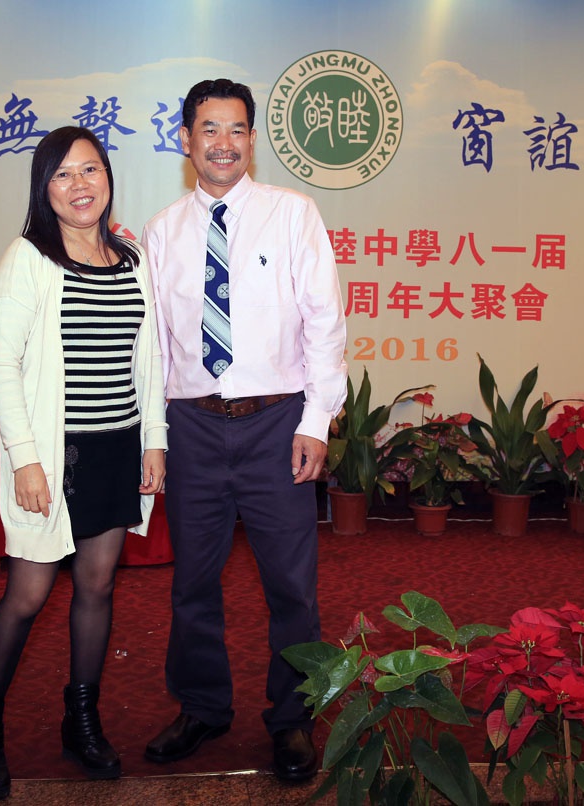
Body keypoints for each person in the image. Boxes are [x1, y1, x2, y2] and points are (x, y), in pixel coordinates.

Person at [140, 78, 347, 782]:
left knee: (291, 585)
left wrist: (316, 420)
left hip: (276, 426)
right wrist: (155, 436)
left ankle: (293, 718)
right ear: (186, 139)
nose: (222, 143)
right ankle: (202, 707)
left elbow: (324, 322)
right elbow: (152, 347)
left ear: (252, 140)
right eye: (209, 129)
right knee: (193, 582)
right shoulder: (163, 231)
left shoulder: (293, 214)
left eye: (236, 130)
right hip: (192, 427)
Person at [0, 126, 167, 801]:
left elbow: (149, 357)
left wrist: (155, 440)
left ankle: (81, 722)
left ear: (108, 177)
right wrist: (25, 461)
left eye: (91, 170)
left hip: (117, 447)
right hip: (55, 455)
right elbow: (3, 365)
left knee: (98, 587)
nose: (80, 185)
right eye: (63, 174)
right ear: (43, 189)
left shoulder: (132, 258)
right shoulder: (28, 258)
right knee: (27, 594)